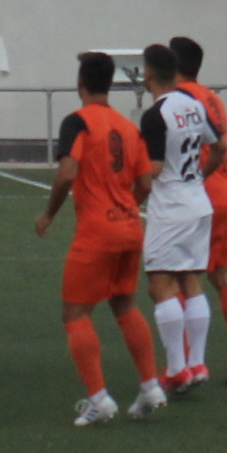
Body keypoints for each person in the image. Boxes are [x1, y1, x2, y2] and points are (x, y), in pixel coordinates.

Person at [36, 49, 168, 425]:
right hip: (130, 228)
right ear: (110, 84)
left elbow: (66, 173)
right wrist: (124, 207)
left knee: (75, 313)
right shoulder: (128, 127)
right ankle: (150, 386)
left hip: (97, 232)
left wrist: (49, 214)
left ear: (80, 83)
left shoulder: (77, 122)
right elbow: (146, 182)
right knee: (124, 305)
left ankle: (98, 398)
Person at [170, 35, 227, 384]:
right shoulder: (213, 97)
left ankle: (184, 365)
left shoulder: (180, 99)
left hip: (204, 192)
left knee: (178, 277)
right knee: (219, 274)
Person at [136, 43, 220, 397]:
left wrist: (130, 194)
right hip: (198, 201)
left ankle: (175, 370)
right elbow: (219, 147)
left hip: (170, 208)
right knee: (190, 280)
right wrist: (198, 178)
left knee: (159, 284)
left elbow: (154, 169)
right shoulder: (193, 105)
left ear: (149, 73)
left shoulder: (155, 115)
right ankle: (197, 364)